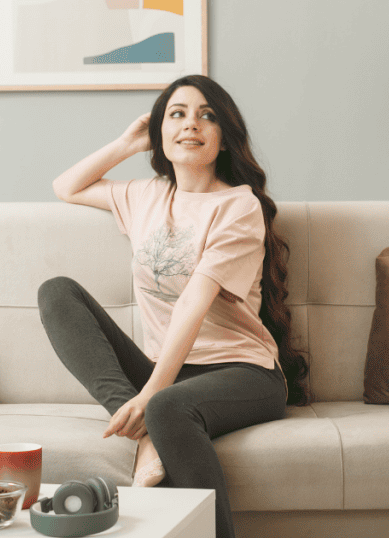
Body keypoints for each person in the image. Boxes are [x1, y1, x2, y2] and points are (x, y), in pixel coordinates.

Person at [37, 74, 309, 538]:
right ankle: (142, 429)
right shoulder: (146, 195)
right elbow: (66, 186)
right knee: (56, 291)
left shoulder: (238, 206)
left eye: (207, 115)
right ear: (160, 132)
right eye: (177, 114)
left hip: (243, 373)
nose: (191, 124)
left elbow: (193, 303)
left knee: (165, 408)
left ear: (224, 138)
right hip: (170, 372)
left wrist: (152, 396)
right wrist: (126, 143)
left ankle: (153, 424)